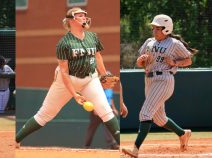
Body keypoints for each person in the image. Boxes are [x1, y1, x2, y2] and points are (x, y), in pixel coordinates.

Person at [15, 7, 120, 148]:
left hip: (90, 79)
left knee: (105, 111)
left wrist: (104, 75)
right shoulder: (64, 43)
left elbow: (97, 56)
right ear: (71, 20)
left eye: (84, 15)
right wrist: (75, 95)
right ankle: (17, 140)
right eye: (80, 15)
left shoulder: (93, 37)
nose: (84, 17)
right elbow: (64, 72)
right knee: (45, 114)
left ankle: (121, 145)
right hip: (66, 81)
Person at [122, 14, 197, 158]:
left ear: (166, 29)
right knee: (159, 119)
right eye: (153, 28)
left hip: (164, 79)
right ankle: (183, 133)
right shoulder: (149, 42)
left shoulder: (174, 43)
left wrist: (175, 63)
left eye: (157, 28)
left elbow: (188, 61)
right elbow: (139, 63)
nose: (154, 31)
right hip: (149, 79)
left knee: (145, 113)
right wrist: (141, 60)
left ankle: (135, 150)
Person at [85, 79, 123, 149]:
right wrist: (94, 109)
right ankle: (87, 145)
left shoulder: (110, 89)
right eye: (108, 81)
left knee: (108, 128)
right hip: (96, 112)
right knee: (92, 129)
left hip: (106, 110)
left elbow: (110, 99)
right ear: (103, 82)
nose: (110, 83)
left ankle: (112, 145)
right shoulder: (96, 88)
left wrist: (113, 108)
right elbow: (91, 98)